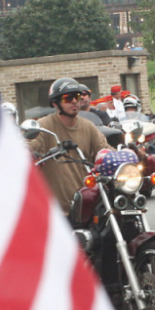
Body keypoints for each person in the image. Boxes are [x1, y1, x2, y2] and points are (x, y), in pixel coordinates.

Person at [29, 77, 110, 213]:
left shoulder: (88, 126)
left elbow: (105, 149)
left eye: (77, 96)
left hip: (85, 206)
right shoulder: (45, 126)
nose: (74, 101)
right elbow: (30, 145)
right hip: (55, 212)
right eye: (68, 98)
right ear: (55, 103)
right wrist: (29, 154)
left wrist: (126, 154)